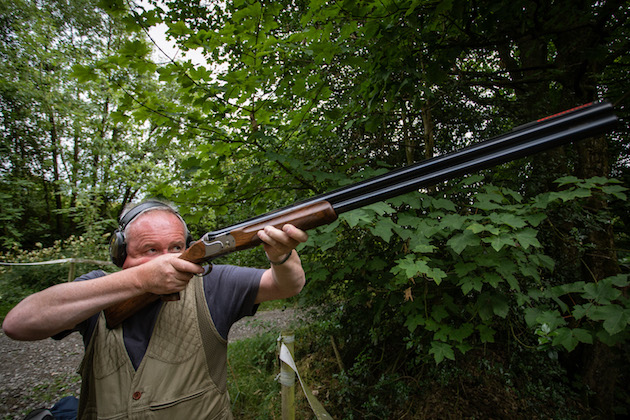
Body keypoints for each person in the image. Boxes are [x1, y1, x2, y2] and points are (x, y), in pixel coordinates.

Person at [2, 200, 309, 419]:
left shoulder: (209, 280)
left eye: (176, 248)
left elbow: (286, 286)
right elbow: (19, 324)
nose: (166, 260)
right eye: (150, 250)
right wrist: (139, 280)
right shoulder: (99, 288)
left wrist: (282, 257)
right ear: (120, 253)